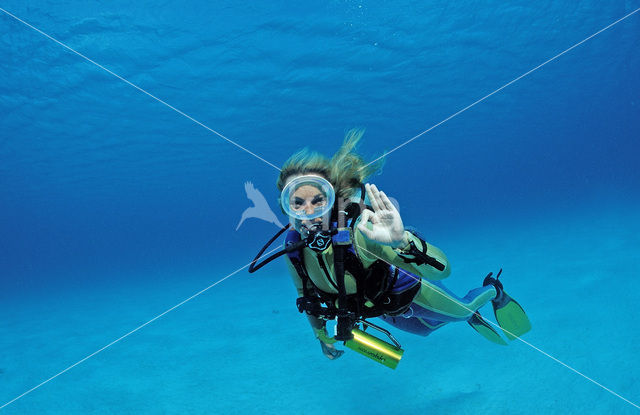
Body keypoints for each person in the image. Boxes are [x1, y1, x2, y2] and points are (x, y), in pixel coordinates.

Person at [250, 129, 531, 364]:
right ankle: (451, 315)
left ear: (333, 200)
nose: (308, 212)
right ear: (285, 206)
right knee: (426, 331)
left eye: (318, 200)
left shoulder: (359, 233)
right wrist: (321, 337)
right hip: (381, 309)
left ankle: (493, 291)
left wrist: (402, 241)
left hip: (410, 294)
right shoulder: (294, 250)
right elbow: (306, 295)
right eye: (297, 202)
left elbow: (443, 270)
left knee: (462, 311)